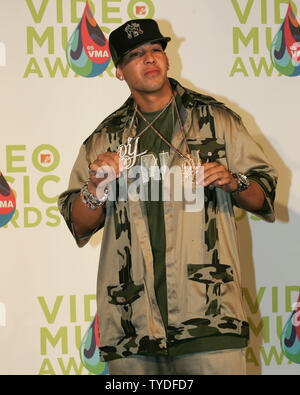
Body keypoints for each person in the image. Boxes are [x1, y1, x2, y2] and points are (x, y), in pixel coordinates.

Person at [58, 18, 277, 375]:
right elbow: (78, 222)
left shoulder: (215, 119)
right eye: (135, 55)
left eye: (155, 50)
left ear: (167, 59)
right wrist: (95, 188)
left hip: (210, 322)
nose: (149, 59)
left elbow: (264, 194)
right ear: (118, 71)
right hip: (131, 330)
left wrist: (234, 181)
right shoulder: (104, 139)